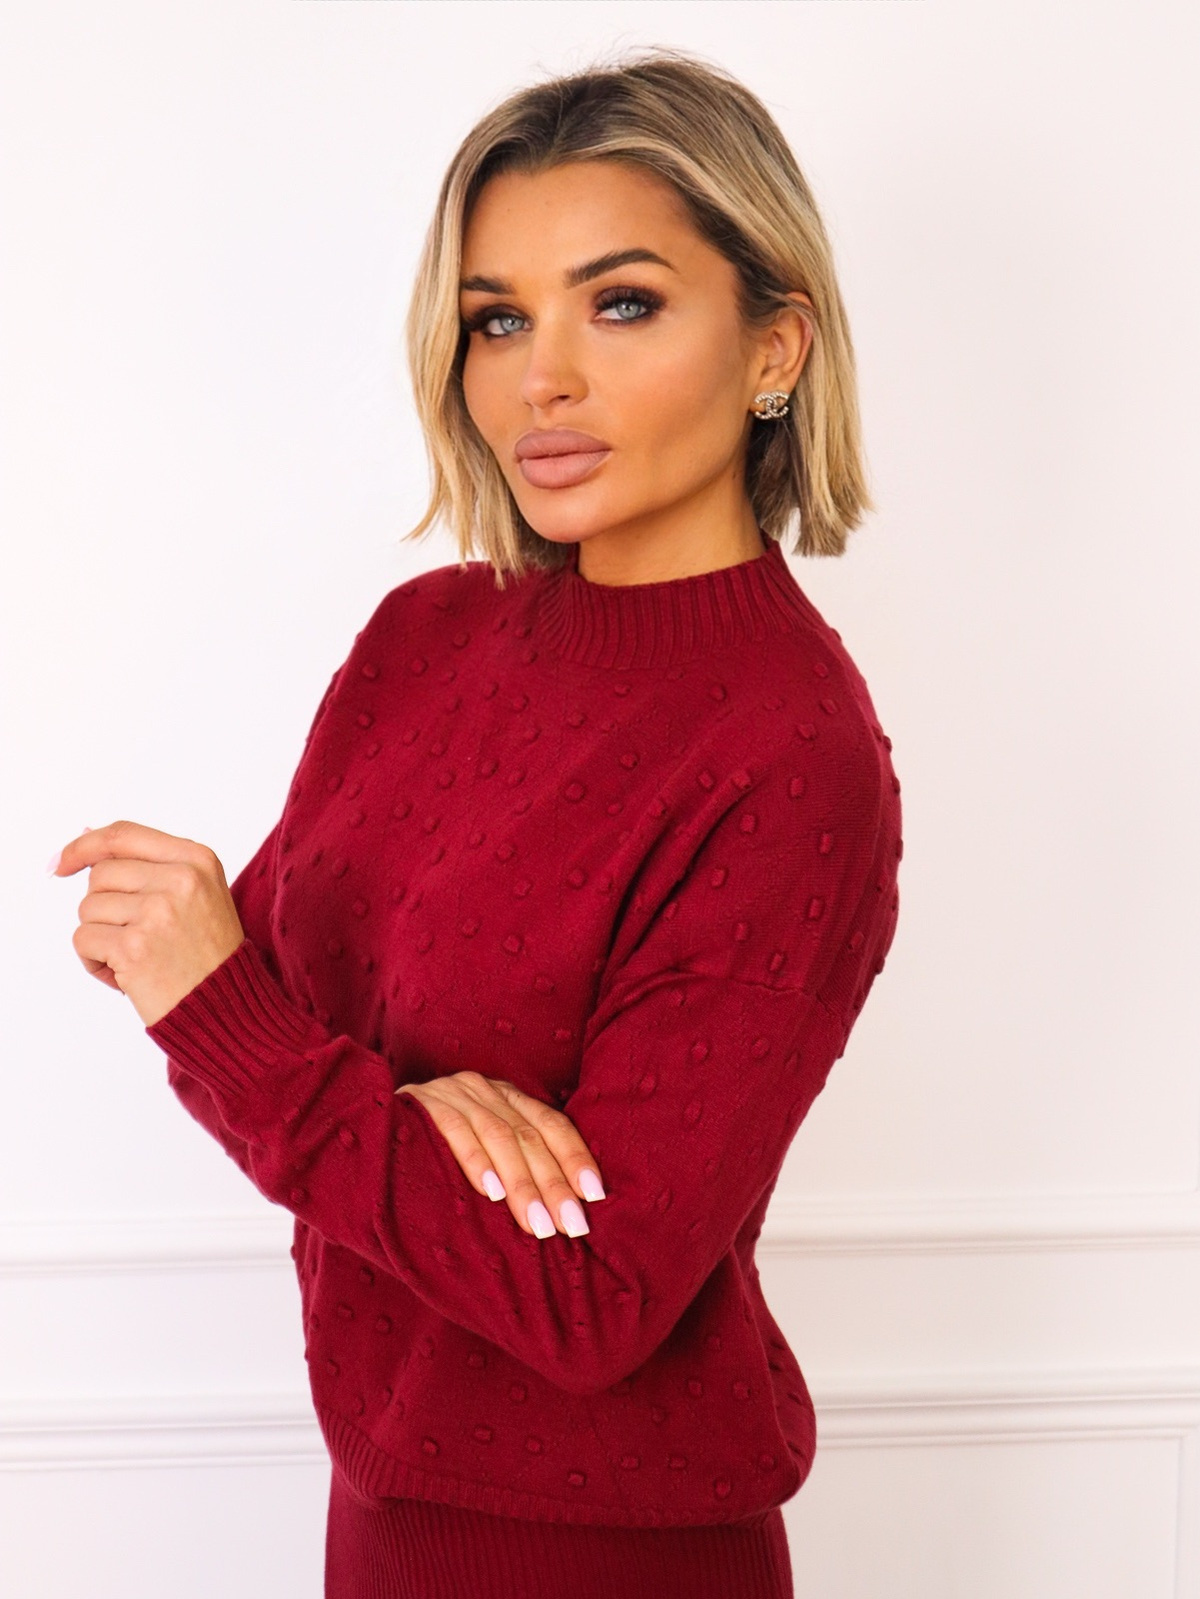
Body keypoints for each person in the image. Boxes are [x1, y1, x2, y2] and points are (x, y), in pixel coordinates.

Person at [50, 45, 902, 1599]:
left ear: (775, 348)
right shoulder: (425, 638)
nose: (539, 380)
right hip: (378, 1512)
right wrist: (404, 1098)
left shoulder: (790, 755)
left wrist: (262, 1032)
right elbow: (256, 1027)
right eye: (497, 318)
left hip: (614, 1556)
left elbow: (593, 1299)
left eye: (620, 303)